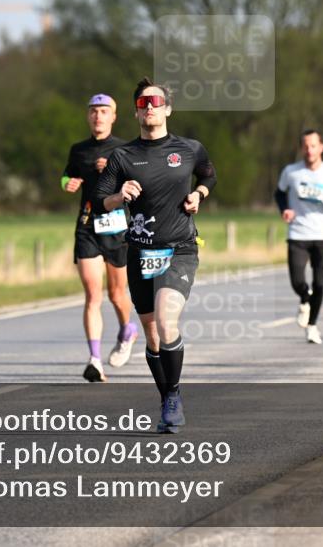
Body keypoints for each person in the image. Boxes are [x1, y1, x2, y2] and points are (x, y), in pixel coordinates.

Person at [94, 77, 216, 434]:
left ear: (167, 109)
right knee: (151, 335)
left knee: (166, 321)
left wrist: (201, 194)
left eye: (156, 103)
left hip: (180, 248)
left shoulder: (190, 148)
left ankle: (174, 395)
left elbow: (209, 174)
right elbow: (101, 199)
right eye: (144, 104)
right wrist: (120, 195)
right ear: (136, 112)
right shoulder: (123, 156)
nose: (150, 108)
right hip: (141, 251)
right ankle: (166, 398)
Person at [62, 94, 138, 382]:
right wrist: (66, 183)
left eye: (104, 111)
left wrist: (115, 171)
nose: (98, 116)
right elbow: (66, 176)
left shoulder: (125, 149)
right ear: (88, 116)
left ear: (113, 116)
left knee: (117, 295)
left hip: (117, 227)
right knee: (93, 295)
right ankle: (95, 360)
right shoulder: (78, 150)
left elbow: (137, 182)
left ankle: (127, 329)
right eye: (93, 111)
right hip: (87, 226)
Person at [276, 130, 323, 344]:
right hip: (298, 233)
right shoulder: (291, 172)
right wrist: (285, 209)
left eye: (313, 146)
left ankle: (312, 326)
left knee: (320, 284)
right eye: (306, 146)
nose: (309, 150)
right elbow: (279, 193)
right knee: (298, 281)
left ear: (321, 147)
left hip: (322, 235)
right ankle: (304, 299)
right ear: (301, 148)